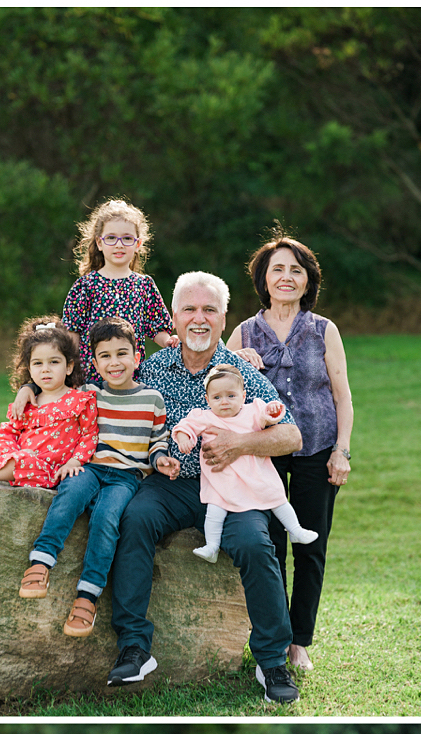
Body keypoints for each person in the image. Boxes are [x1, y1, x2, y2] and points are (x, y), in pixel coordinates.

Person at [103, 272, 306, 703]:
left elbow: (292, 437)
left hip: (232, 491)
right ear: (173, 317)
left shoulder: (239, 372)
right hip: (172, 485)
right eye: (190, 310)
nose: (199, 319)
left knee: (255, 543)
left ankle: (271, 662)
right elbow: (94, 391)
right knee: (134, 518)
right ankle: (135, 647)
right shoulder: (151, 370)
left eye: (209, 310)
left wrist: (240, 443)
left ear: (222, 317)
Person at [228, 233, 355, 673]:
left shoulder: (324, 329)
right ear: (264, 278)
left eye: (295, 270)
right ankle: (276, 636)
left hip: (317, 449)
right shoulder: (244, 330)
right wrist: (236, 360)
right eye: (277, 269)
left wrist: (342, 451)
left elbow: (343, 396)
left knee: (311, 546)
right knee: (271, 545)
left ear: (307, 281)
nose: (286, 277)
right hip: (263, 453)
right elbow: (220, 395)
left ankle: (300, 641)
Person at [16, 320, 169, 638]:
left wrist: (161, 459)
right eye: (105, 356)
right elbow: (52, 390)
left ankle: (87, 597)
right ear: (95, 363)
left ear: (137, 357)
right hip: (89, 466)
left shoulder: (152, 399)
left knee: (106, 518)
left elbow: (157, 441)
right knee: (70, 492)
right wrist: (27, 389)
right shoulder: (87, 394)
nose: (114, 363)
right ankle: (41, 562)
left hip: (125, 478)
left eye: (122, 354)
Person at [171, 364, 317, 563]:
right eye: (217, 397)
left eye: (231, 396)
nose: (224, 402)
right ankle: (211, 546)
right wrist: (183, 438)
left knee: (277, 497)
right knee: (215, 510)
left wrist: (272, 411)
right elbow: (185, 426)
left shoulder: (251, 411)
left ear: (243, 395)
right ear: (207, 400)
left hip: (255, 472)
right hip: (221, 478)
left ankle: (296, 530)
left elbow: (268, 417)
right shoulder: (204, 417)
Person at [0, 317, 95, 487]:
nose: (45, 369)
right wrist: (12, 454)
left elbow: (89, 435)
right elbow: (9, 432)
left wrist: (74, 461)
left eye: (54, 362)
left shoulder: (79, 400)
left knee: (24, 461)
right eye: (38, 363)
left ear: (69, 367)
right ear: (30, 369)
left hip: (46, 469)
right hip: (19, 458)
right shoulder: (29, 401)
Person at [59, 197, 177, 382]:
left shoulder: (144, 285)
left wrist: (168, 342)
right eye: (111, 238)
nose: (119, 244)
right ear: (99, 243)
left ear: (138, 244)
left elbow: (157, 327)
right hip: (92, 378)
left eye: (127, 238)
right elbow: (72, 331)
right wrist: (72, 369)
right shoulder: (86, 285)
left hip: (131, 377)